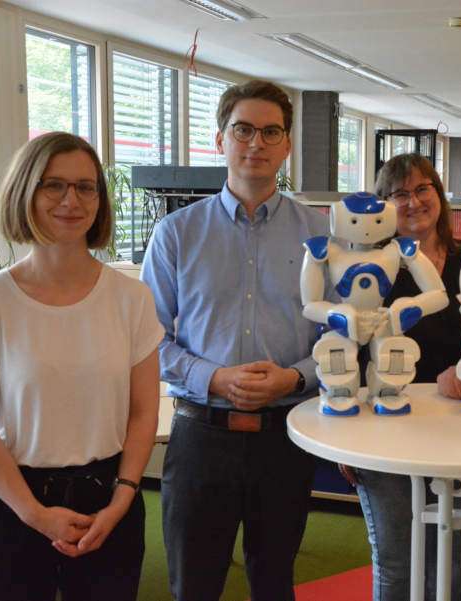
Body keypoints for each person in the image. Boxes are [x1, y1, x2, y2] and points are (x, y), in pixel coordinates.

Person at [0, 131, 163, 601]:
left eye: (86, 187)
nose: (72, 200)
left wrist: (123, 498)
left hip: (109, 501)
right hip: (13, 503)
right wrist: (34, 513)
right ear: (26, 191)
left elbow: (144, 411)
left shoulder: (131, 298)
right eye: (53, 185)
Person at [140, 80, 328, 601]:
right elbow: (149, 341)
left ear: (287, 144)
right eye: (243, 129)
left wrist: (295, 376)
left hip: (286, 437)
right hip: (201, 437)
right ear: (219, 139)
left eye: (271, 132)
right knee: (194, 585)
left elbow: (342, 336)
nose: (256, 143)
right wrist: (214, 377)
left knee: (274, 582)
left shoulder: (321, 234)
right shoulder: (176, 233)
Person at [342, 153, 461, 600]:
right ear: (383, 206)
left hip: (455, 434)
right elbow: (349, 350)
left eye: (423, 189)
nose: (413, 201)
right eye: (399, 194)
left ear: (438, 194)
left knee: (451, 562)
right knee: (397, 563)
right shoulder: (369, 270)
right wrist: (348, 437)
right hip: (383, 432)